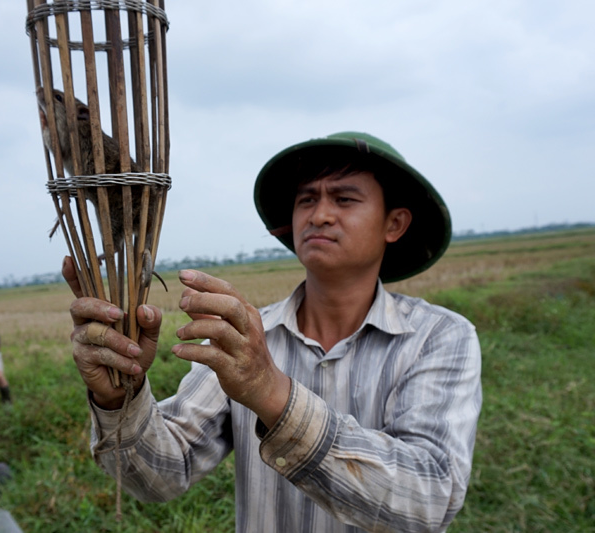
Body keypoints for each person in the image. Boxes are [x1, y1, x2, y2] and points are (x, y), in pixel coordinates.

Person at [64, 132, 483, 532]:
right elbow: (161, 475)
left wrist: (271, 392)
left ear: (395, 223)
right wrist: (119, 393)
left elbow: (429, 500)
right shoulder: (243, 339)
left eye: (344, 198)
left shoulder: (439, 337)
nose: (319, 215)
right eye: (306, 200)